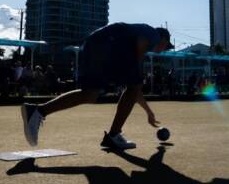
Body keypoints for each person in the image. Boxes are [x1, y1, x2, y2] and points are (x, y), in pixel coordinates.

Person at [21, 23, 174, 150]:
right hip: (109, 44)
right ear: (163, 39)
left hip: (94, 43)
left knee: (90, 94)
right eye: (166, 46)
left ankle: (38, 111)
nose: (163, 50)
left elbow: (135, 90)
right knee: (134, 84)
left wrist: (148, 112)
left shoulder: (139, 35)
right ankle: (114, 135)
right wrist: (138, 67)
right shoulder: (153, 34)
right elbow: (141, 44)